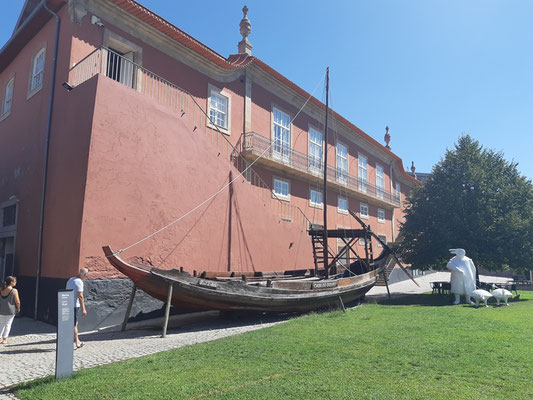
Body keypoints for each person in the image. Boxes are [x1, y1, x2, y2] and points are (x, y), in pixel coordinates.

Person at [66, 268, 88, 348]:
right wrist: (84, 309)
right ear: (83, 275)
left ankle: (72, 340)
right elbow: (80, 296)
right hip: (74, 305)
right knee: (74, 325)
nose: (86, 277)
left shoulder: (70, 280)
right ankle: (77, 342)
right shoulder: (79, 282)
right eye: (86, 275)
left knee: (74, 323)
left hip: (68, 304)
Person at [0, 276, 21, 344]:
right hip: (10, 310)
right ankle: (5, 339)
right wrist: (18, 308)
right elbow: (17, 301)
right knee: (8, 324)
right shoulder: (14, 290)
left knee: (1, 324)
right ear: (11, 282)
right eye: (15, 281)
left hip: (1, 309)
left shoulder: (1, 289)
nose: (16, 282)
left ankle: (0, 338)